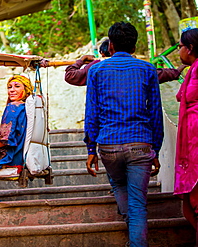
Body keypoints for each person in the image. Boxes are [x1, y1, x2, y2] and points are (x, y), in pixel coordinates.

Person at [85, 22, 163, 247]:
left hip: (108, 144)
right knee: (138, 203)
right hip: (140, 143)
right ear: (134, 45)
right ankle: (137, 240)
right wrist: (155, 148)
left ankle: (134, 237)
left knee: (119, 185)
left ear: (110, 46)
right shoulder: (147, 69)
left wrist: (91, 149)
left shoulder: (97, 71)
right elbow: (155, 113)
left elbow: (92, 112)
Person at [65, 39, 186, 87]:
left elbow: (71, 76)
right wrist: (176, 71)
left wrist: (81, 60)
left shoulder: (95, 67)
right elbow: (158, 74)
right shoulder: (139, 66)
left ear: (104, 53)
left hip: (108, 128)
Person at [174, 28, 198, 245]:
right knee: (190, 207)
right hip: (190, 143)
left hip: (196, 143)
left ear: (190, 48)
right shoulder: (192, 70)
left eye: (180, 46)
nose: (178, 50)